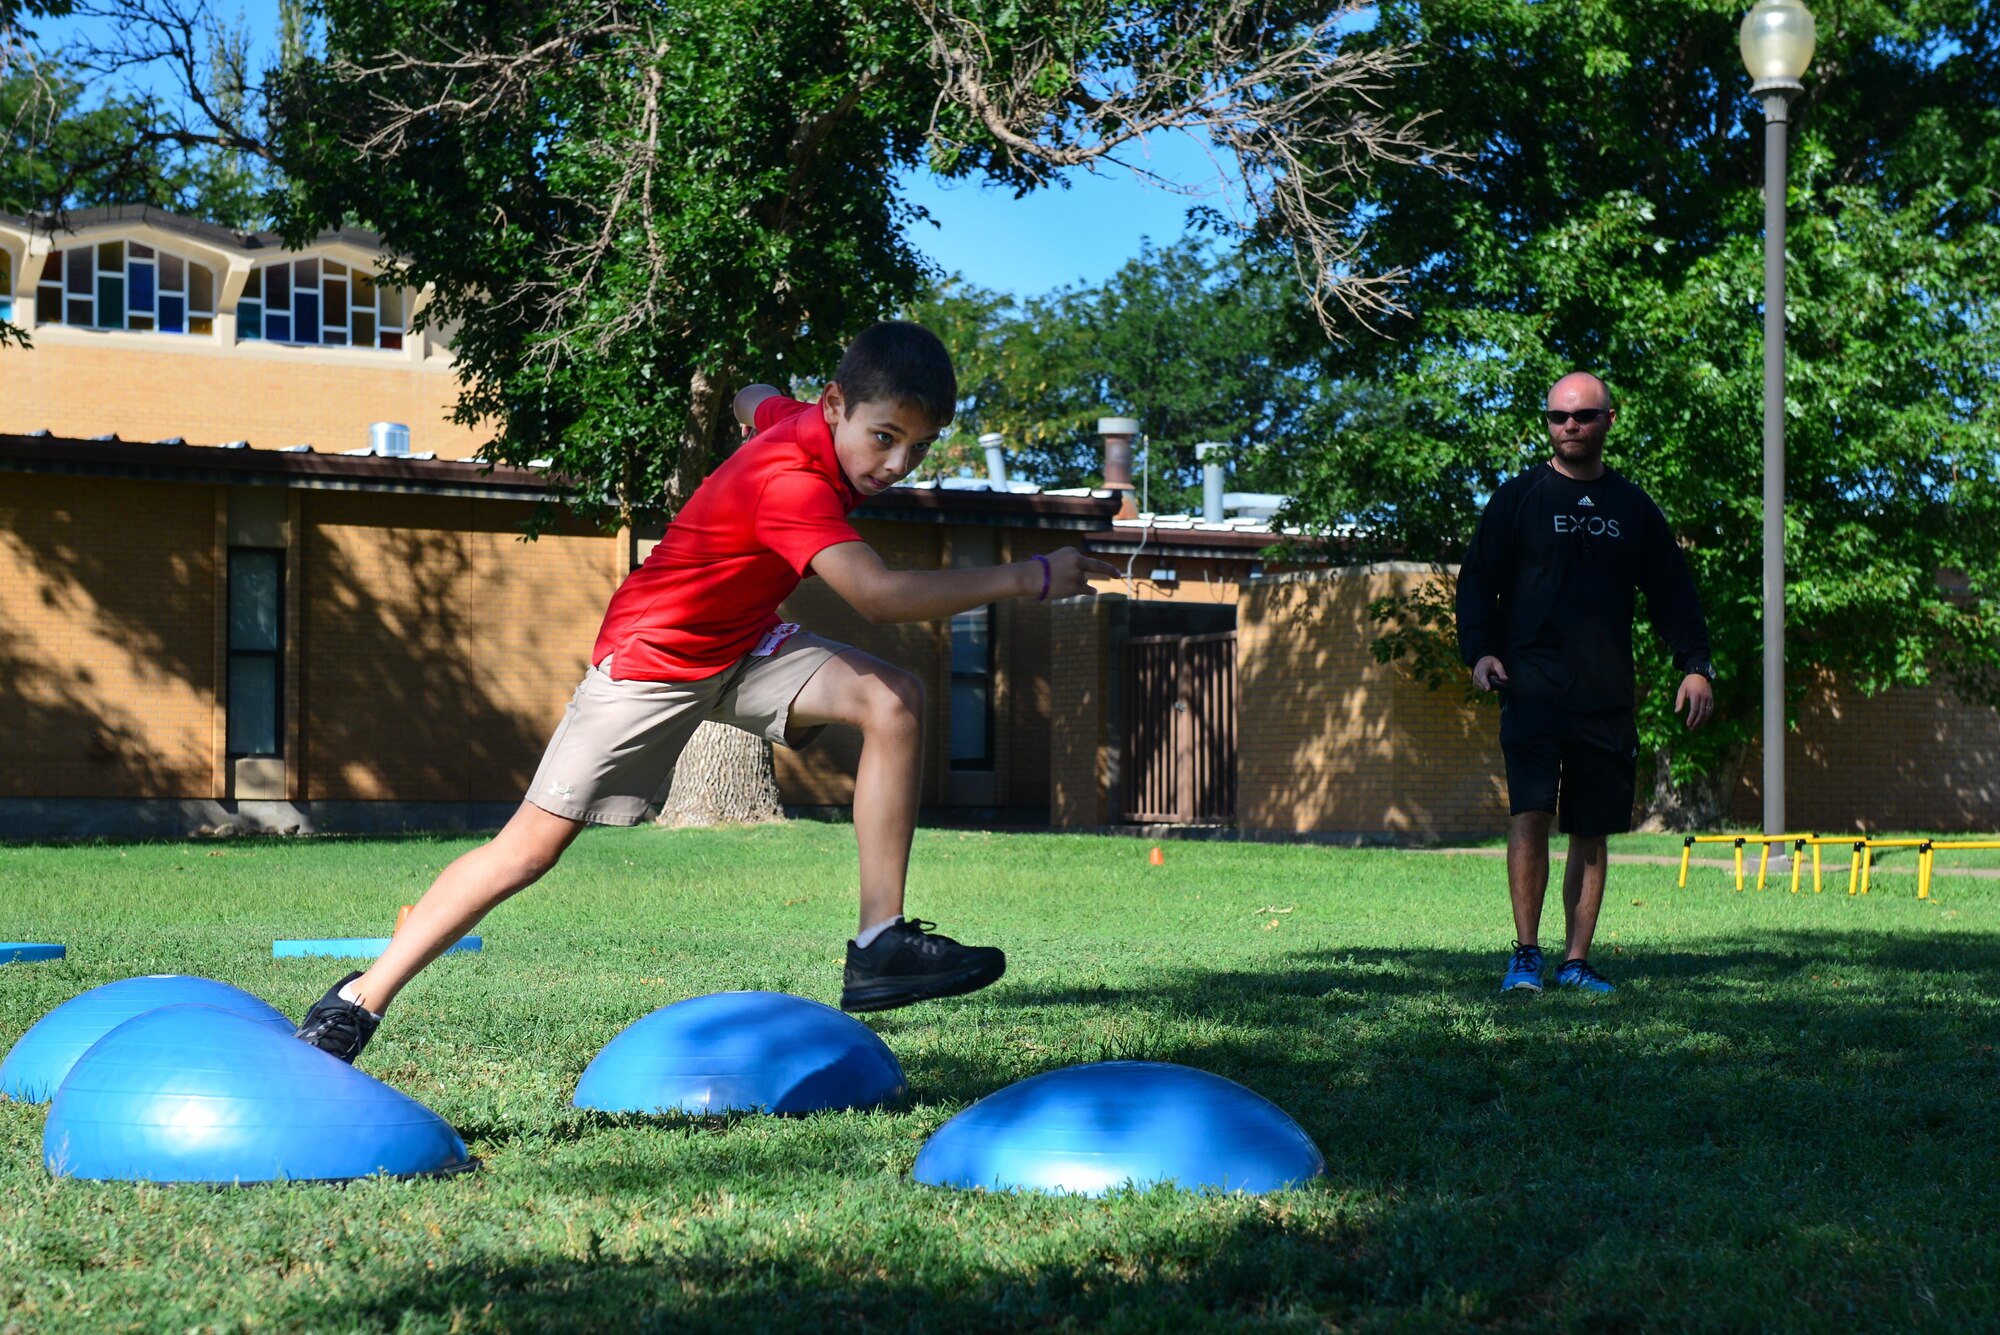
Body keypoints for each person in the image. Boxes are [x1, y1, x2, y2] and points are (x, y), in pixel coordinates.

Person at [296, 321, 1119, 1062]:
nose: (897, 464)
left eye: (919, 445)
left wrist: (737, 388)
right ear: (836, 406)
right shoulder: (791, 483)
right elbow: (876, 595)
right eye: (884, 437)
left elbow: (755, 400)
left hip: (744, 644)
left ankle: (879, 943)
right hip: (653, 660)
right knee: (527, 851)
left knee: (892, 698)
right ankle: (358, 998)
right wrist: (1030, 574)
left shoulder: (804, 418)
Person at [1456, 371, 1715, 994]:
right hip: (1531, 688)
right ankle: (1525, 955)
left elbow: (1673, 590)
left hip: (1604, 696)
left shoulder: (1631, 508)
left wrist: (1696, 665)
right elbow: (1475, 582)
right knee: (1530, 815)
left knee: (1591, 831)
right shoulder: (1517, 499)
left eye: (1582, 416)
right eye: (1557, 417)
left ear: (1608, 421)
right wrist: (1480, 652)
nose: (1568, 426)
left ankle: (1575, 962)